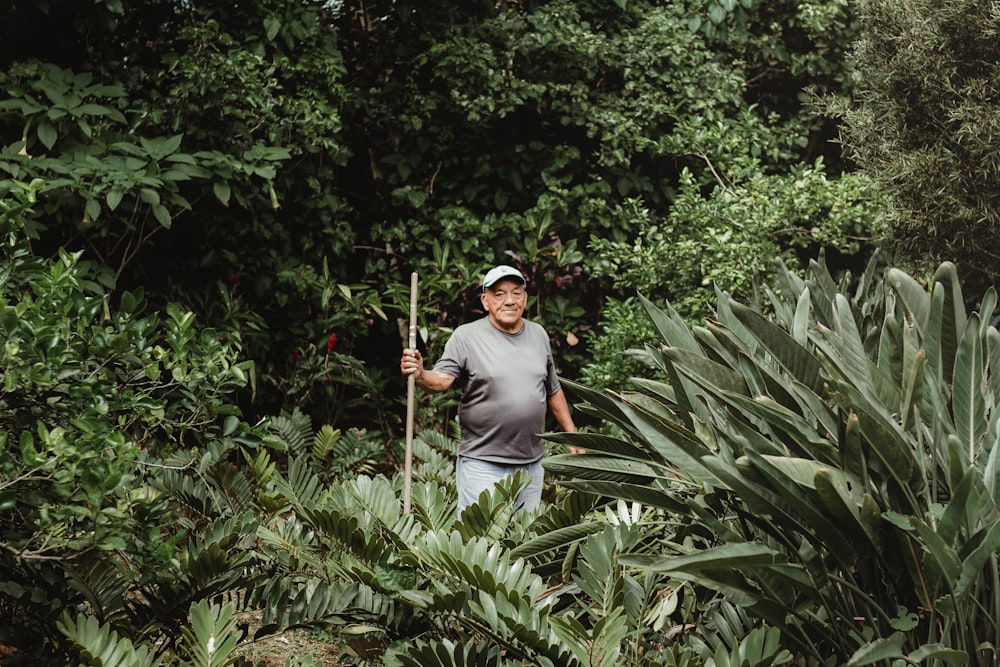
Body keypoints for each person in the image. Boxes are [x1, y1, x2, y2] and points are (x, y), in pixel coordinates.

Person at [400, 264, 579, 513]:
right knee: (480, 541)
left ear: (525, 299)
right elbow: (441, 380)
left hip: (532, 463)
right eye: (499, 294)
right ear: (485, 301)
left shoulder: (538, 334)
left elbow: (552, 390)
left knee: (524, 540)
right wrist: (420, 373)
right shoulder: (466, 337)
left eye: (516, 293)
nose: (509, 301)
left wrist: (572, 436)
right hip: (483, 463)